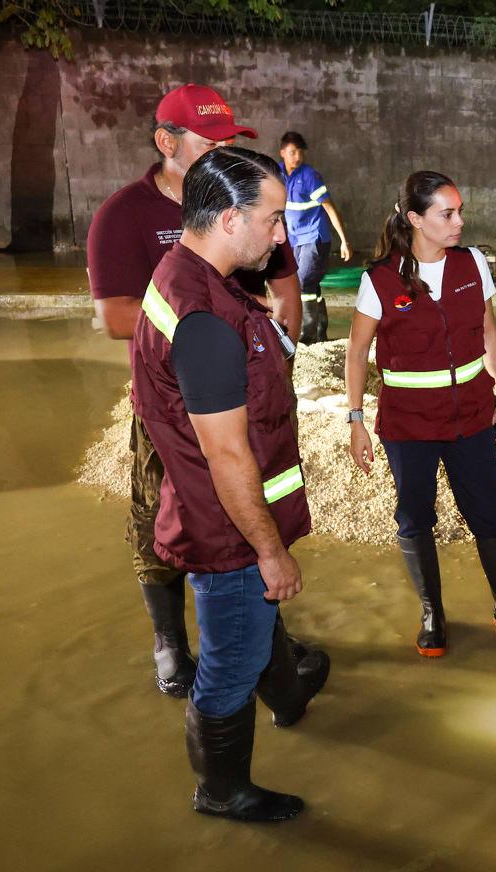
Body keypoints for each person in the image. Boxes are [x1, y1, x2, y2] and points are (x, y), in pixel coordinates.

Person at [86, 83, 322, 702]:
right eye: (210, 141)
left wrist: (274, 353)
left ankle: (262, 642)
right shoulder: (130, 217)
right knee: (165, 520)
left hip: (232, 382)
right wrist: (209, 328)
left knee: (237, 522)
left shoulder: (251, 202)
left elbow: (285, 290)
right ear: (167, 143)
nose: (224, 150)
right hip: (170, 400)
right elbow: (118, 319)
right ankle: (171, 641)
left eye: (230, 140)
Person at [133, 147, 325, 822]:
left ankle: (292, 686)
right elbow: (228, 457)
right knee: (227, 667)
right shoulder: (206, 320)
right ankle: (222, 789)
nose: (281, 235)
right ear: (227, 217)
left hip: (211, 512)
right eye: (273, 219)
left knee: (251, 631)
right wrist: (270, 551)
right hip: (230, 532)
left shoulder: (186, 275)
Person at [345, 171, 496, 657]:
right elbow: (357, 353)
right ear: (416, 219)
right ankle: (432, 611)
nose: (460, 222)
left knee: (490, 515)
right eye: (448, 213)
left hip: (472, 419)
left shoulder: (472, 263)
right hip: (409, 426)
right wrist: (355, 420)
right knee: (416, 518)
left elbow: (488, 334)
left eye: (460, 211)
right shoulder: (380, 279)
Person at [279, 130, 353, 343]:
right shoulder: (278, 173)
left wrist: (344, 242)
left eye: (299, 152)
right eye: (292, 152)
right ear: (282, 153)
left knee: (304, 283)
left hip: (314, 237)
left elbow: (330, 208)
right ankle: (321, 331)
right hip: (294, 239)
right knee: (310, 284)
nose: (297, 157)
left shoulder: (309, 176)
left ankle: (307, 336)